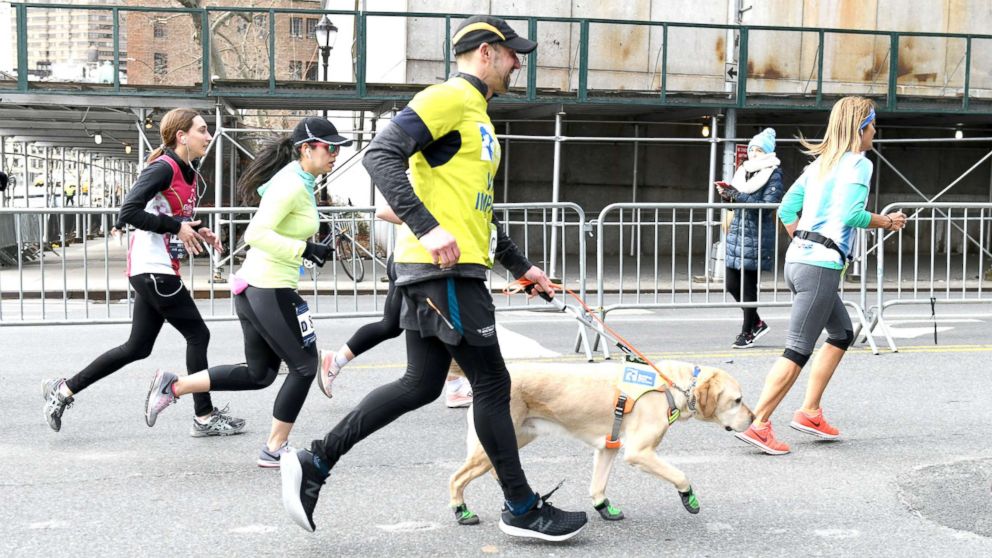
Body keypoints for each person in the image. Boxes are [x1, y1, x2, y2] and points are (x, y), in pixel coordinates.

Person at [280, 15, 588, 541]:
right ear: (486, 53)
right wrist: (427, 227)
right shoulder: (448, 98)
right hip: (442, 270)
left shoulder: (479, 117)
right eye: (513, 53)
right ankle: (521, 507)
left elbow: (478, 212)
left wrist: (521, 266)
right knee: (492, 382)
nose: (519, 63)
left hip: (454, 267)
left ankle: (316, 460)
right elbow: (381, 155)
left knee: (422, 383)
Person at [143, 117, 352, 468]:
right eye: (329, 147)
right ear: (307, 149)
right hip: (269, 287)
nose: (335, 154)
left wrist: (306, 247)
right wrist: (304, 249)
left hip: (257, 286)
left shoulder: (300, 179)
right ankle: (274, 448)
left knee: (261, 374)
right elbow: (255, 234)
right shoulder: (291, 185)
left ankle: (174, 386)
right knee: (304, 367)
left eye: (337, 148)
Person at [41, 108, 245, 437]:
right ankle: (204, 417)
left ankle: (62, 390)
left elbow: (169, 215)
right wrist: (175, 226)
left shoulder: (188, 171)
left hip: (156, 269)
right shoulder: (163, 167)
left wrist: (197, 229)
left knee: (137, 347)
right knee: (198, 335)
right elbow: (130, 211)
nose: (208, 136)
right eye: (202, 130)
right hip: (154, 270)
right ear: (182, 136)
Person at [735, 97, 907, 455]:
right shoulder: (859, 164)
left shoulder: (820, 165)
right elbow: (851, 215)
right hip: (820, 267)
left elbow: (786, 209)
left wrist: (803, 241)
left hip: (799, 261)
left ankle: (810, 412)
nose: (876, 131)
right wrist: (888, 222)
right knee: (797, 349)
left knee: (842, 333)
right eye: (874, 125)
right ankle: (759, 423)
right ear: (862, 128)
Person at [317, 205, 474, 408]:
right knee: (432, 324)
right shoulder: (417, 175)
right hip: (414, 262)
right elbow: (383, 210)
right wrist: (431, 227)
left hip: (415, 261)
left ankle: (455, 387)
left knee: (401, 325)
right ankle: (335, 361)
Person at [717, 127, 785, 349]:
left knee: (748, 287)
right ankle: (756, 322)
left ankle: (747, 331)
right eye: (752, 149)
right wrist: (728, 197)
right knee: (731, 284)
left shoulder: (773, 173)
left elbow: (766, 207)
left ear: (767, 151)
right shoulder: (743, 171)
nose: (753, 153)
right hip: (737, 233)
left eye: (758, 149)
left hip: (756, 236)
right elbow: (735, 206)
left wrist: (737, 196)